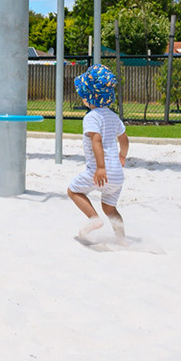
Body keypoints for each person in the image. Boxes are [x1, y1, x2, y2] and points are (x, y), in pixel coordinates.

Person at [66, 66, 128, 242]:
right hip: (117, 174)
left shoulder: (91, 117)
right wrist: (122, 156)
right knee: (110, 208)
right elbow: (124, 139)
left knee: (73, 191)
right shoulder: (113, 116)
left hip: (100, 171)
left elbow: (96, 140)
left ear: (88, 97)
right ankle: (122, 240)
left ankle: (93, 218)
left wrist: (100, 167)